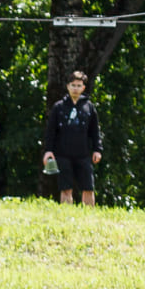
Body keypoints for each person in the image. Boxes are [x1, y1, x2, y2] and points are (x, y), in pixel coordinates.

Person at [43, 70, 103, 205]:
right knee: (65, 188)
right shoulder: (58, 107)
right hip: (63, 154)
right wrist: (48, 150)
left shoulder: (89, 107)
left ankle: (89, 215)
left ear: (83, 88)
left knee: (88, 188)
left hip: (83, 154)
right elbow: (51, 131)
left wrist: (97, 149)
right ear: (68, 86)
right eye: (73, 85)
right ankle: (66, 214)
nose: (75, 88)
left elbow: (95, 131)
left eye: (78, 85)